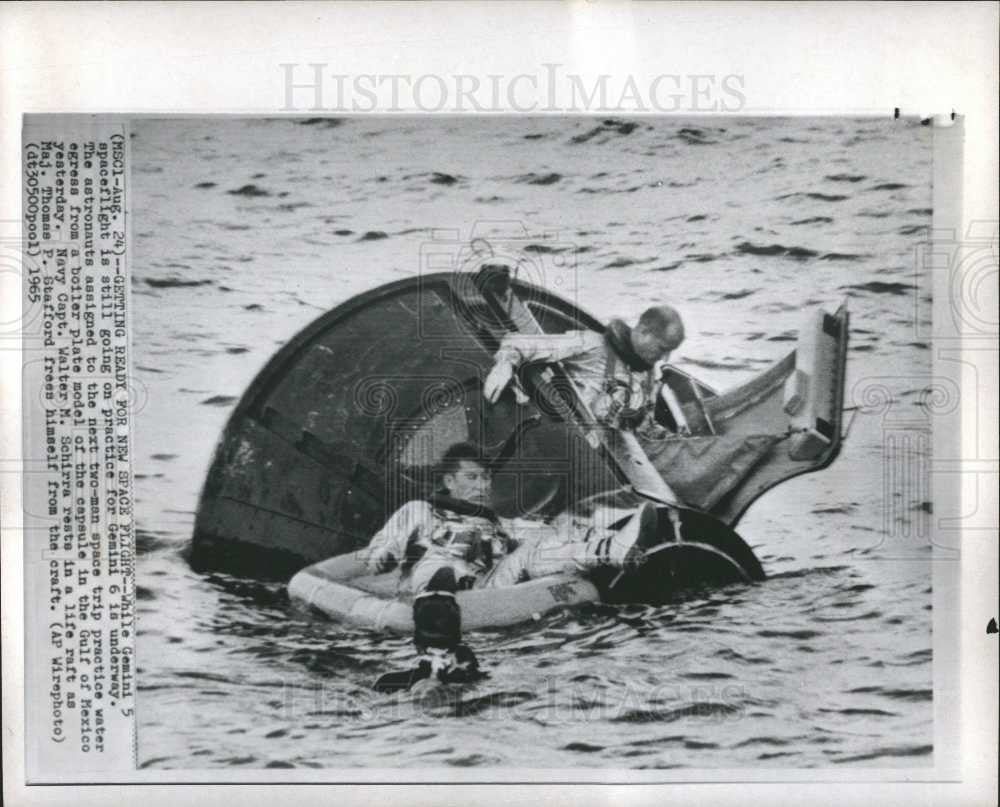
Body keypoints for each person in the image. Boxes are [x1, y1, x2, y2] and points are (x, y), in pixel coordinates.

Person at [364, 441, 660, 686]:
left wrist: (587, 531)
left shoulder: (498, 523)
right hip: (436, 587)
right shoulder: (421, 511)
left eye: (486, 478)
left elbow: (549, 538)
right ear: (449, 481)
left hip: (488, 587)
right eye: (473, 478)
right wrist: (384, 555)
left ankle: (615, 548)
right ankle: (612, 548)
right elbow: (381, 547)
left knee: (539, 545)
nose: (483, 485)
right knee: (441, 565)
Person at [482, 301, 685, 434]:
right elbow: (521, 342)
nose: (664, 357)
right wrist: (505, 364)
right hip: (575, 438)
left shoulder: (647, 373)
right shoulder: (592, 344)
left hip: (620, 455)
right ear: (643, 331)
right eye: (662, 348)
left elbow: (644, 426)